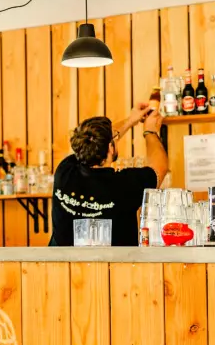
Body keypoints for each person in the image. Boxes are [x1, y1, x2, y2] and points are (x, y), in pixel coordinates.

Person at [50, 102, 168, 247]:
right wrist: (150, 132)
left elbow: (94, 141)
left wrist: (130, 120)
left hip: (63, 261)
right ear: (111, 148)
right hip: (115, 262)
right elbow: (160, 167)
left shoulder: (65, 170)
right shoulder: (125, 184)